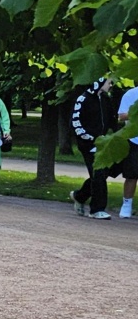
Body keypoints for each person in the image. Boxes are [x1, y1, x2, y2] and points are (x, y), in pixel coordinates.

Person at [70, 77, 119, 218]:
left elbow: (111, 120)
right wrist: (91, 139)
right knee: (98, 173)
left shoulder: (105, 100)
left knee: (104, 172)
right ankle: (97, 209)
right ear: (99, 82)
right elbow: (76, 123)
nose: (110, 85)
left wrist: (113, 135)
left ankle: (79, 196)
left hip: (104, 143)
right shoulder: (82, 99)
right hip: (88, 145)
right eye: (108, 82)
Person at [119, 81, 138, 220]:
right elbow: (122, 116)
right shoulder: (131, 94)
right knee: (131, 175)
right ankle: (126, 205)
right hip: (134, 139)